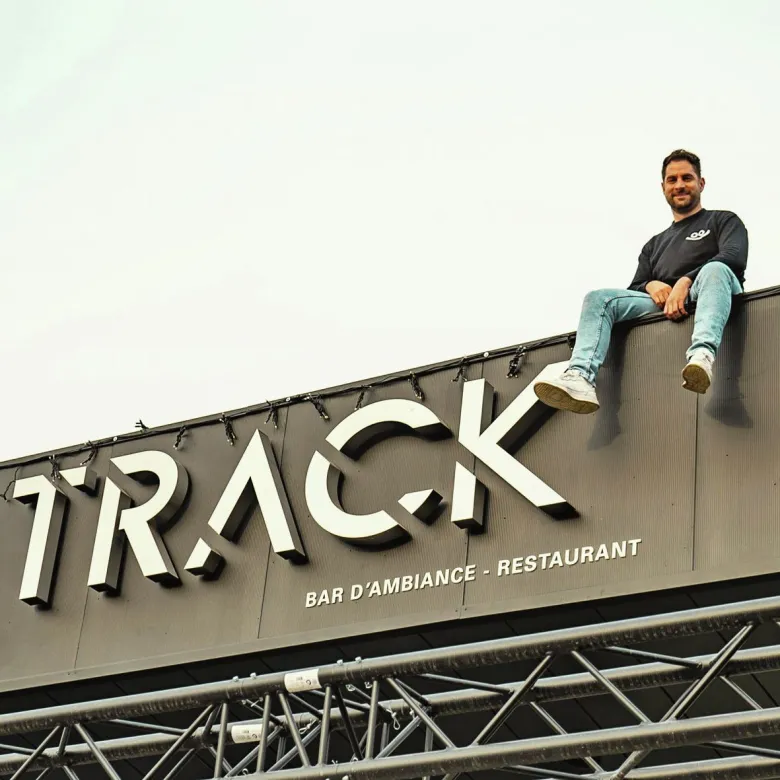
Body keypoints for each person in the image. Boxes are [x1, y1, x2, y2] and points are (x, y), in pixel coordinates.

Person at [533, 149, 748, 414]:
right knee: (598, 298)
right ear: (663, 187)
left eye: (687, 178)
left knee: (716, 268)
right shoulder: (653, 245)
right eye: (672, 180)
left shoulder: (723, 220)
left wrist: (685, 281)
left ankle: (701, 356)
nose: (679, 185)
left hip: (714, 292)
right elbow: (634, 287)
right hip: (664, 304)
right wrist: (650, 285)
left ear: (701, 183)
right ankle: (580, 377)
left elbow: (734, 258)